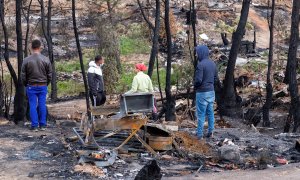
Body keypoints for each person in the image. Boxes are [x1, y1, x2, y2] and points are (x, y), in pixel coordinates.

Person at [21, 39, 52, 131]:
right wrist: (46, 83)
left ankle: (34, 125)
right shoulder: (46, 59)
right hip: (43, 85)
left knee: (32, 105)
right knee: (42, 104)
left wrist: (26, 84)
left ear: (31, 47)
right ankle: (43, 125)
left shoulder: (26, 60)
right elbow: (49, 74)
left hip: (31, 85)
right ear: (40, 47)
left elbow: (23, 75)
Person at [194, 45, 218, 139]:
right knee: (210, 112)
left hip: (202, 92)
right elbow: (216, 78)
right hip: (211, 92)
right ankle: (210, 132)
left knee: (201, 114)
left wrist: (195, 86)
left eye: (197, 52)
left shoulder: (200, 65)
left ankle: (199, 135)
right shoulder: (213, 64)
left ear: (201, 53)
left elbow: (198, 80)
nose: (196, 55)